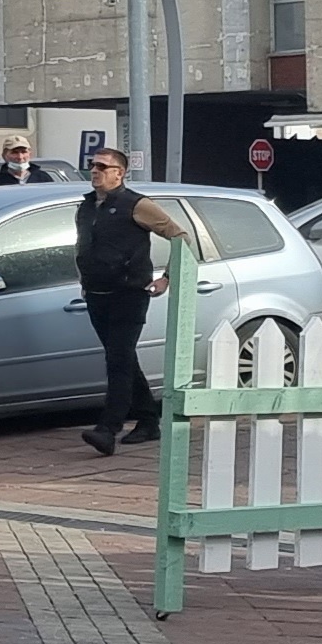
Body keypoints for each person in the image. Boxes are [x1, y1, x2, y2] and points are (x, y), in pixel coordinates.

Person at [76, 145, 214, 455]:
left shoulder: (136, 205)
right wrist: (85, 282)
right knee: (122, 357)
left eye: (102, 166)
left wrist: (168, 278)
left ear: (119, 173)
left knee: (118, 359)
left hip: (129, 294)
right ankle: (149, 420)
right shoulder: (86, 207)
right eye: (92, 166)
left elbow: (180, 236)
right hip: (97, 295)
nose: (94, 171)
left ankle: (108, 429)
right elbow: (83, 247)